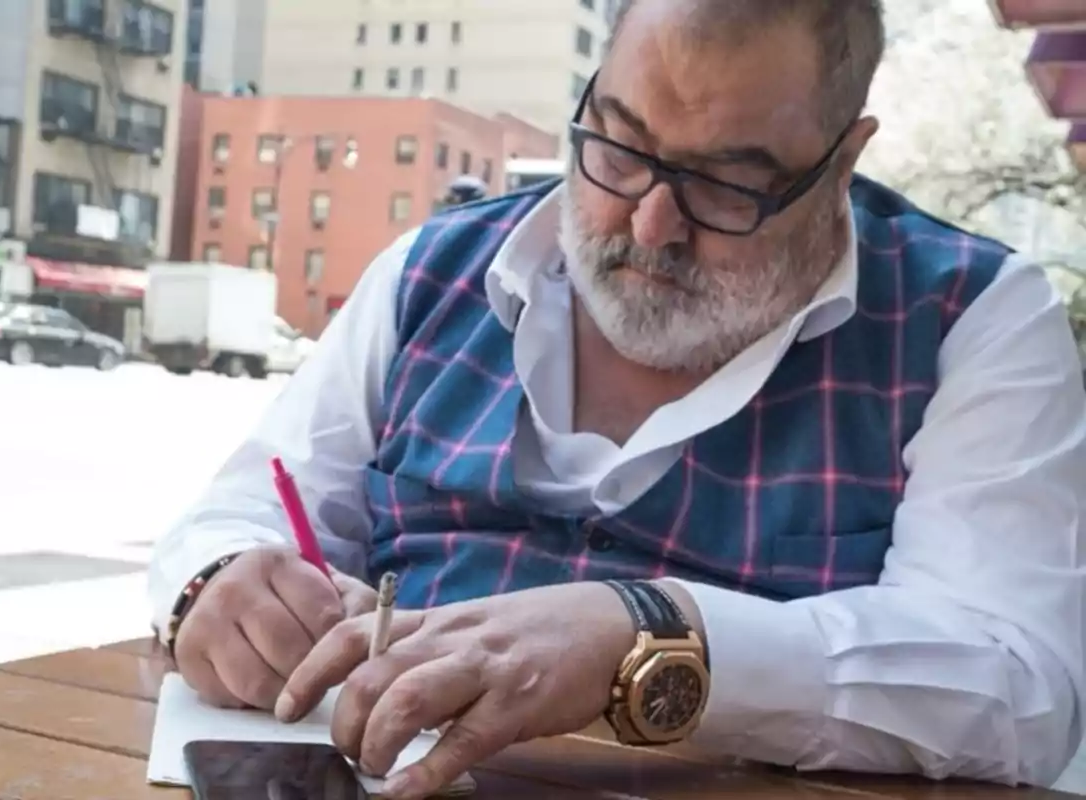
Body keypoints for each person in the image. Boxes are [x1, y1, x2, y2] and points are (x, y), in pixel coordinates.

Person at [148, 1, 1086, 798]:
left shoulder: (971, 318)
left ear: (842, 162)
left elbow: (1018, 684)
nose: (649, 224)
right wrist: (221, 581)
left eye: (725, 185)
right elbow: (244, 509)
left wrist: (649, 635)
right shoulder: (431, 270)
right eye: (620, 146)